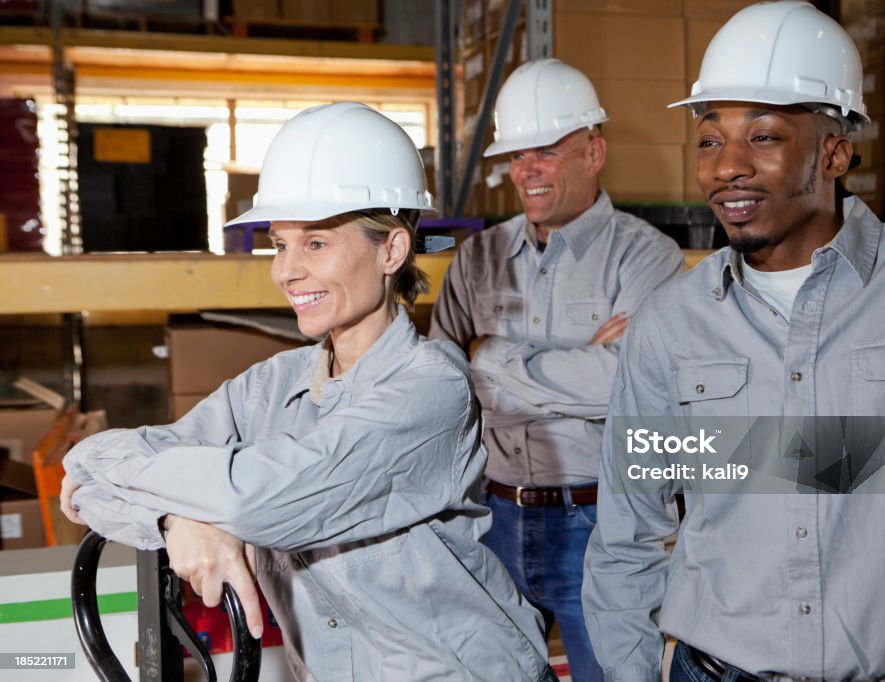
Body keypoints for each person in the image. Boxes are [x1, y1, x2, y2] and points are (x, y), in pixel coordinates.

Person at [582, 2, 885, 681]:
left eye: (762, 137)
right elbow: (626, 538)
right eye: (707, 139)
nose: (725, 166)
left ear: (835, 151)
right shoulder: (671, 324)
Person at [60, 102, 558, 682]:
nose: (286, 272)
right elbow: (85, 471)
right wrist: (176, 519)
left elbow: (259, 502)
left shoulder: (432, 390)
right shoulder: (272, 385)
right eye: (280, 244)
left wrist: (178, 498)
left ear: (391, 251)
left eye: (315, 244)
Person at [430, 58, 684, 681]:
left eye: (544, 151)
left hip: (603, 523)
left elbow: (630, 387)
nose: (526, 172)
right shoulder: (479, 258)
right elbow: (435, 387)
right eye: (517, 156)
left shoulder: (648, 258)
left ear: (593, 151)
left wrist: (487, 358)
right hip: (492, 518)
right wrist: (581, 372)